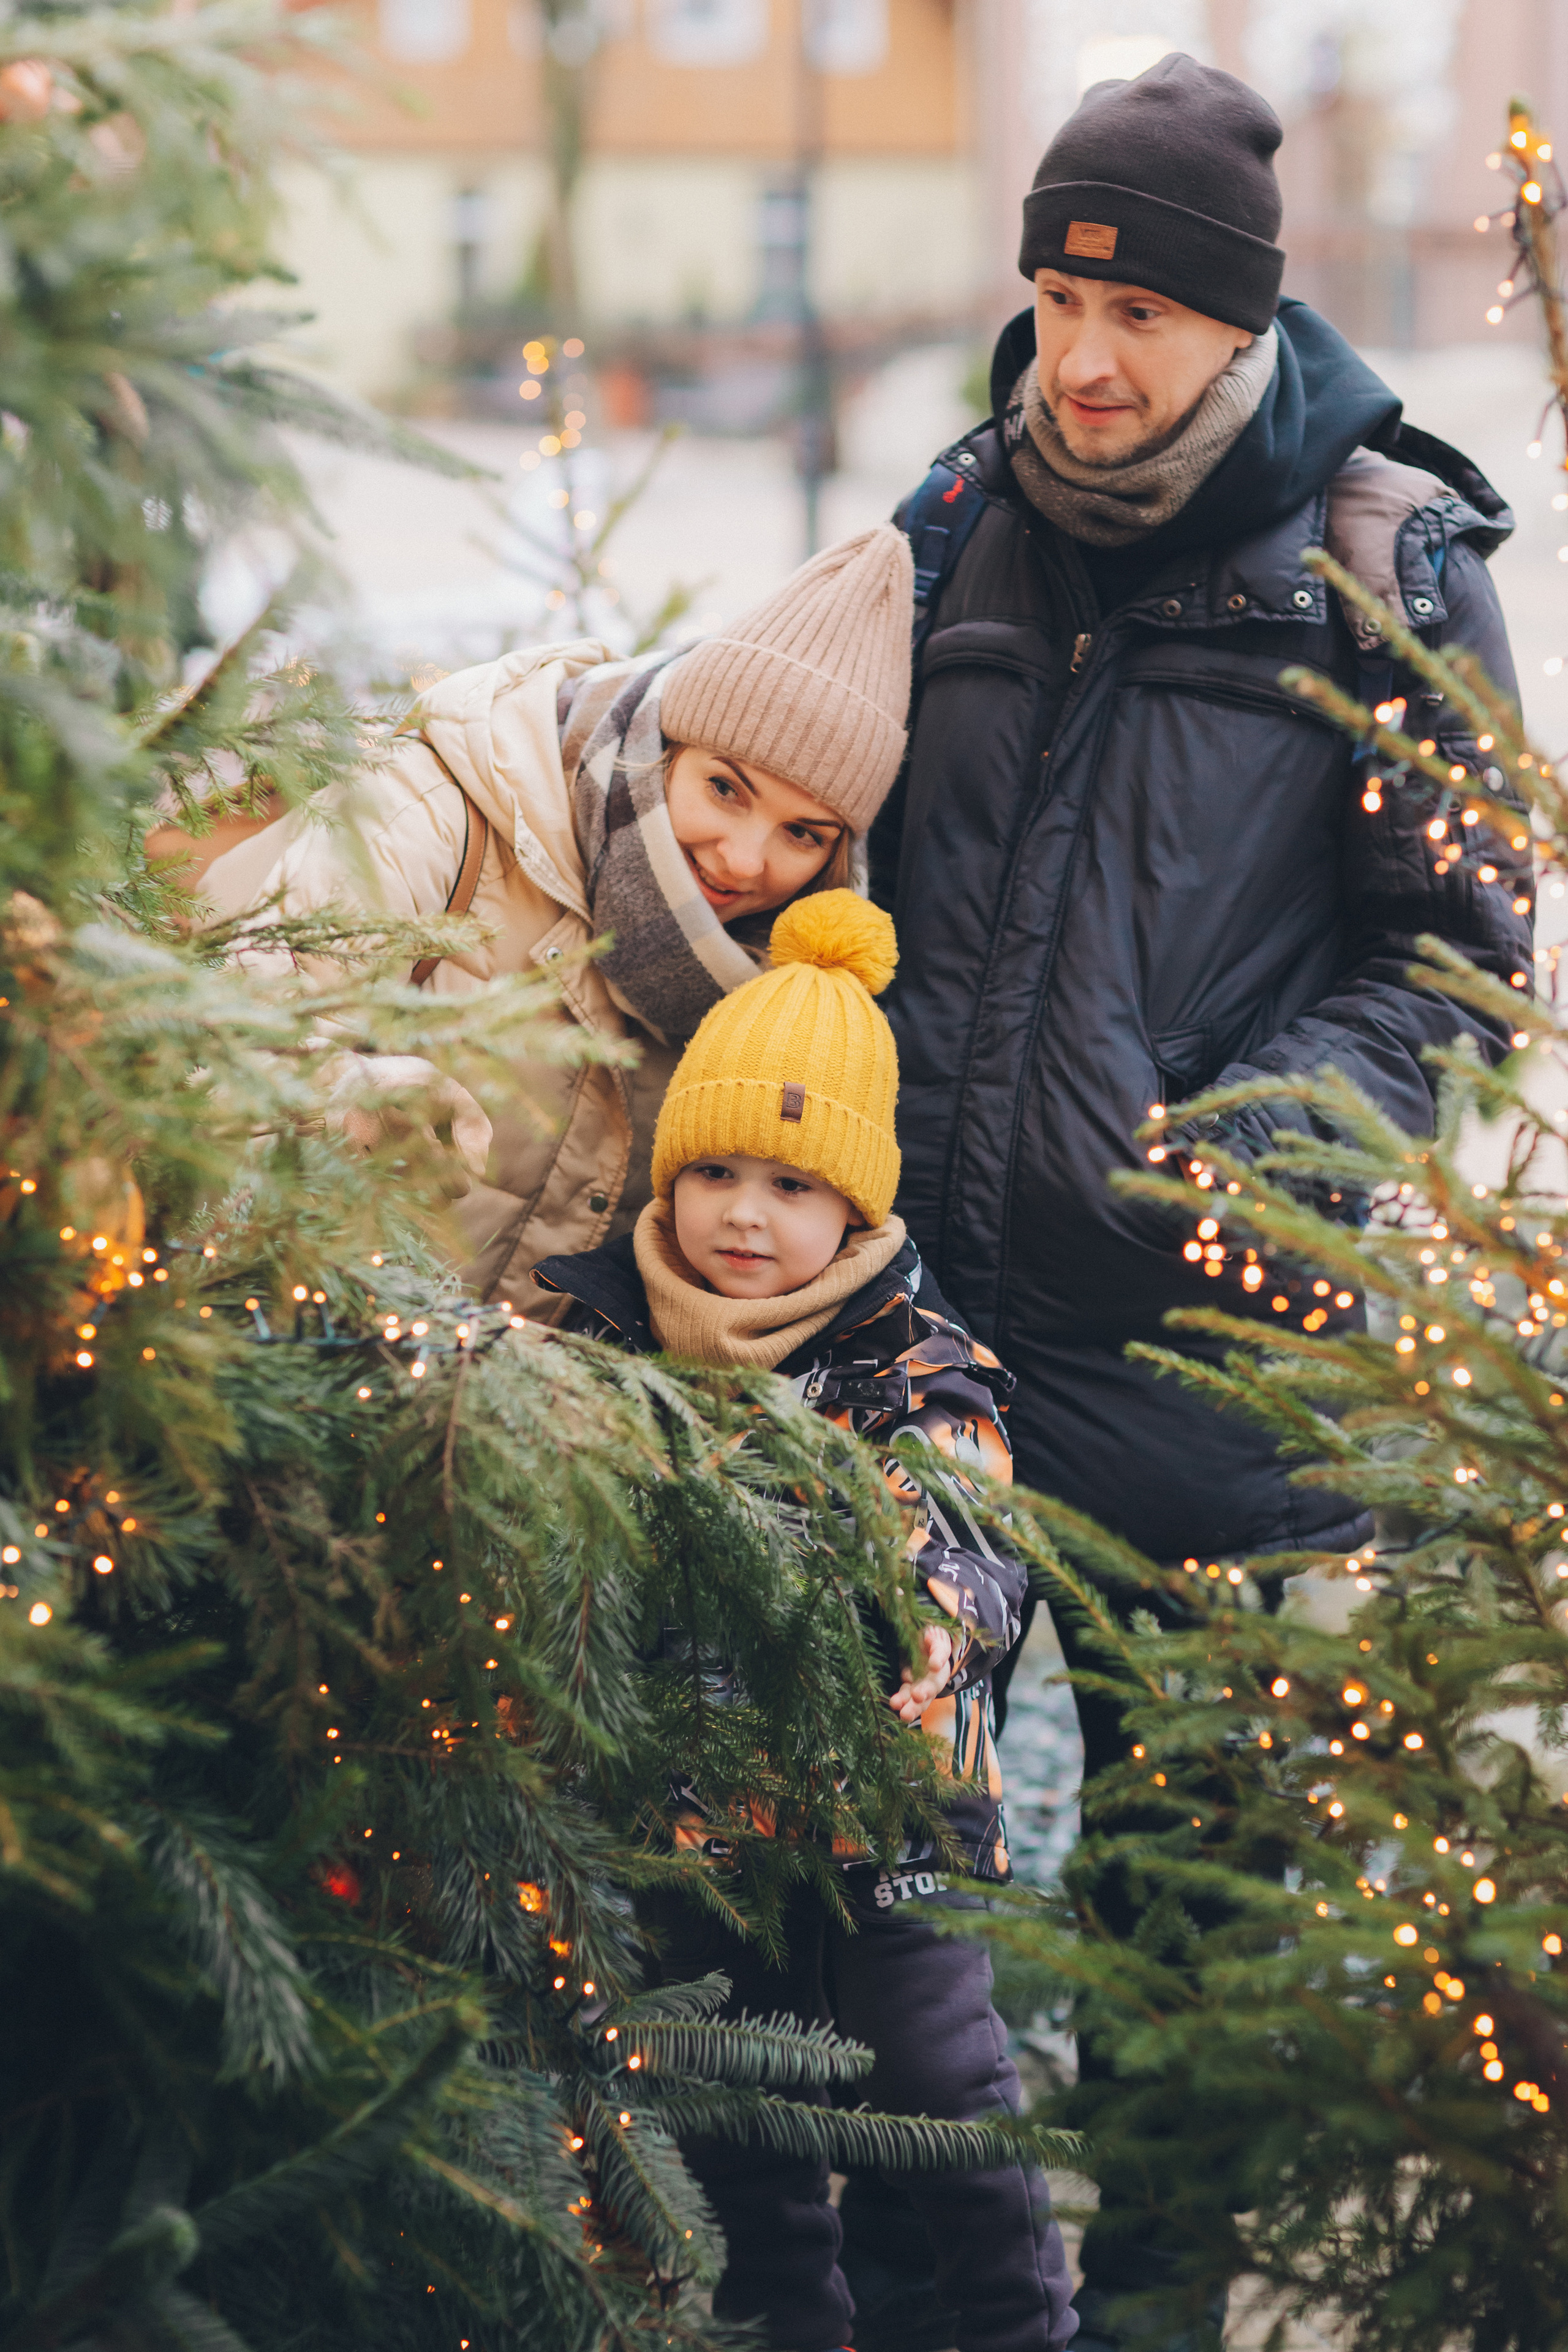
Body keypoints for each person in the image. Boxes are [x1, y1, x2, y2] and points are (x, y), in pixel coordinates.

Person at [865, 47, 1535, 2352]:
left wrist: (1213, 1156)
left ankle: (1142, 2319)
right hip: (913, 1346)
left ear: (1242, 327)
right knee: (875, 1921)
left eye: (1137, 307)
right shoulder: (959, 519)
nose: (1086, 350)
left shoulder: (1384, 561)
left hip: (1199, 1374)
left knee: (1161, 1945)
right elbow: (802, 821)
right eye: (1057, 292)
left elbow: (1455, 967)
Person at [531, 891, 1078, 2352]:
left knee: (942, 2084)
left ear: (854, 1202)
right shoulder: (600, 1332)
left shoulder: (910, 1358)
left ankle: (1023, 2327)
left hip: (889, 1800)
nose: (742, 1214)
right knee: (736, 2115)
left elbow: (964, 1518)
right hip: (690, 1814)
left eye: (787, 1183)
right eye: (710, 1171)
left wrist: (933, 1614)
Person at [187, 524, 913, 1314]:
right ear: (663, 744)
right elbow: (219, 1057)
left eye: (803, 834)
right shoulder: (431, 817)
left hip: (527, 1415)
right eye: (726, 789)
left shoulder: (784, 981)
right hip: (309, 1357)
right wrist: (344, 1096)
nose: (743, 861)